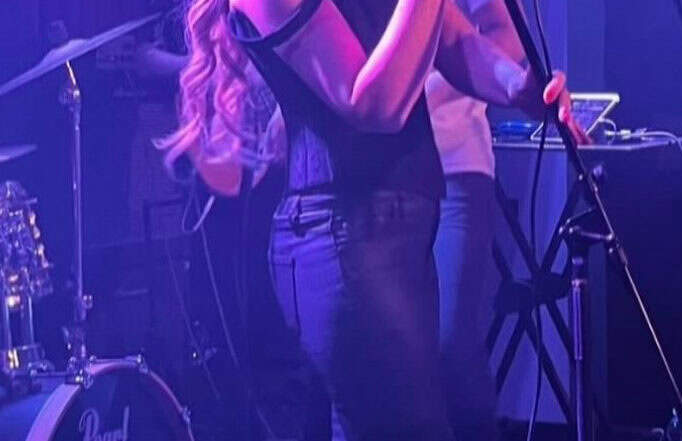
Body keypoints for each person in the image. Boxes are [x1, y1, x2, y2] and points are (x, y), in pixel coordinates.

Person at [159, 0, 586, 439]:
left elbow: (454, 40)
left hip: (401, 225)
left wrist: (518, 87)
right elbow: (373, 105)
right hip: (342, 235)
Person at [425, 0, 526, 438]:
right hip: (372, 176)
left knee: (449, 344)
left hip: (454, 164)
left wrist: (431, 85)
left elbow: (507, 36)